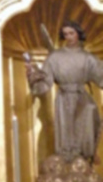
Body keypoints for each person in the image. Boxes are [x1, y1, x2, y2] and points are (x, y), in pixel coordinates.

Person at [26, 19, 103, 162]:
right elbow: (44, 83)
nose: (69, 37)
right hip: (64, 100)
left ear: (78, 34)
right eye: (66, 34)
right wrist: (33, 75)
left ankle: (85, 161)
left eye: (71, 33)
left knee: (86, 128)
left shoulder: (88, 58)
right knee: (66, 133)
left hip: (83, 99)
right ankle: (67, 162)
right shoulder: (55, 57)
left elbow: (101, 76)